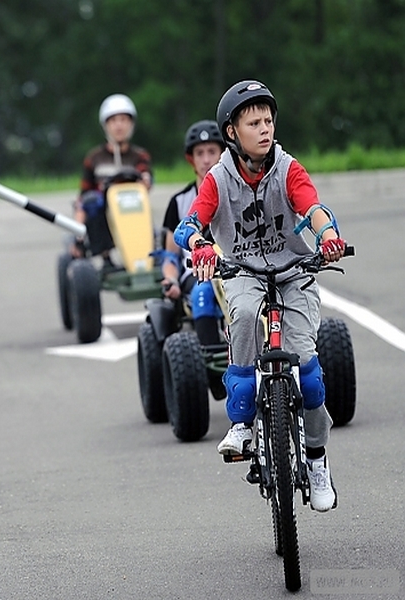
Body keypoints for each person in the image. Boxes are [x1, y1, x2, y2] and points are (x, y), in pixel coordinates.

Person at [173, 80, 346, 512]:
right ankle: (242, 425)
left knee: (307, 370)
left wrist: (328, 236)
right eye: (253, 122)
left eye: (268, 120)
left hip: (293, 272)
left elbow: (313, 207)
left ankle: (318, 459)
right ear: (231, 132)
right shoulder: (217, 179)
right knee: (246, 318)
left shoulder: (289, 168)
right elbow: (189, 224)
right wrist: (202, 246)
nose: (264, 128)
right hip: (243, 271)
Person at [159, 120, 225, 347]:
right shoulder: (179, 202)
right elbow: (170, 256)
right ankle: (211, 360)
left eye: (212, 152)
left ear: (223, 154)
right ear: (191, 159)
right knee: (204, 293)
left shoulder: (236, 193)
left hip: (234, 268)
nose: (206, 159)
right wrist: (170, 279)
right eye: (200, 153)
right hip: (195, 273)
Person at [71, 93, 153, 269]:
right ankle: (105, 256)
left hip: (132, 207)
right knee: (91, 201)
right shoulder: (94, 158)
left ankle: (147, 255)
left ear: (131, 123)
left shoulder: (139, 156)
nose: (119, 125)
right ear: (106, 125)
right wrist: (77, 231)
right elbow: (84, 195)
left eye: (123, 120)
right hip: (104, 211)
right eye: (114, 120)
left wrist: (144, 180)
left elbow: (146, 178)